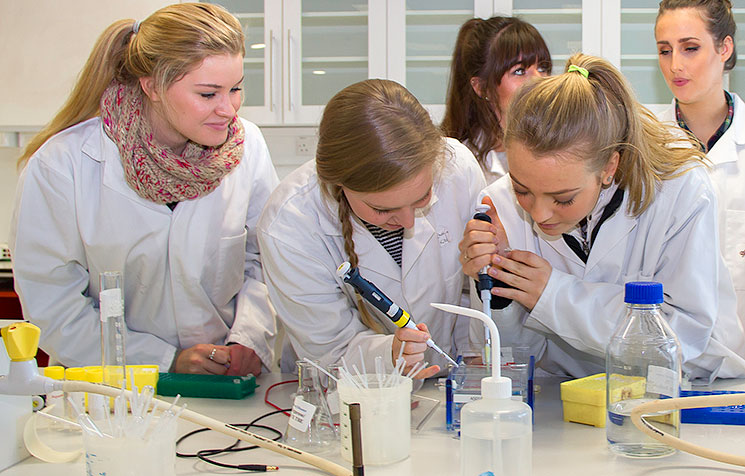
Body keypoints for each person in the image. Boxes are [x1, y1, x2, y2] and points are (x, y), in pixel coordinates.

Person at [9, 3, 278, 376]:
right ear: (152, 86)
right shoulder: (63, 164)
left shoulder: (247, 147)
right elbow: (52, 303)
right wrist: (163, 361)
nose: (228, 109)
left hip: (228, 382)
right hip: (111, 389)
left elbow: (265, 262)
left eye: (235, 89)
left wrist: (248, 338)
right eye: (207, 94)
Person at [460, 53, 745, 382]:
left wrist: (554, 294)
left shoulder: (680, 191)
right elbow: (504, 357)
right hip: (565, 398)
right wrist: (497, 289)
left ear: (609, 167)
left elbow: (684, 339)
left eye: (563, 198)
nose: (538, 214)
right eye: (522, 189)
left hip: (687, 392)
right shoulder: (500, 204)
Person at [258, 79, 486, 378]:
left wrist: (472, 358)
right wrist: (388, 356)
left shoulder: (458, 169)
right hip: (344, 395)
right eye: (382, 209)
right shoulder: (289, 223)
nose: (407, 222)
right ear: (339, 184)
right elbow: (329, 352)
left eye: (422, 198)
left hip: (448, 383)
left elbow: (473, 292)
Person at [655, 0, 745, 328]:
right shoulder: (644, 149)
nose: (675, 65)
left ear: (724, 48)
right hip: (668, 357)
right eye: (665, 51)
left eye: (690, 48)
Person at [441, 16, 552, 184]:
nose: (539, 80)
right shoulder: (457, 166)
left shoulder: (563, 146)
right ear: (481, 87)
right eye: (520, 71)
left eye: (542, 68)